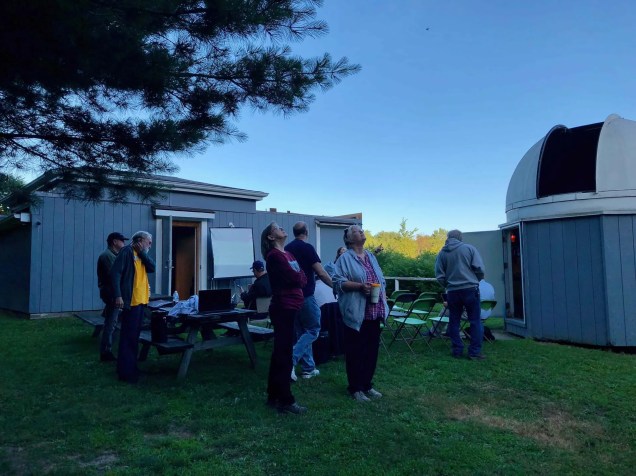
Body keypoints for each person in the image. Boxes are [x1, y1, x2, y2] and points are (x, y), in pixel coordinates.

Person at [333, 225, 388, 402]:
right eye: (356, 231)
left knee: (371, 352)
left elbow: (381, 280)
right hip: (356, 313)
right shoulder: (344, 259)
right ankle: (355, 388)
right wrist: (359, 286)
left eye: (361, 230)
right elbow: (337, 282)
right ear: (349, 239)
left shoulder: (371, 256)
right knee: (356, 351)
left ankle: (367, 385)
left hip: (374, 312)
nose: (361, 232)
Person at [261, 222, 308, 414]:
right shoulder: (274, 256)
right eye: (277, 228)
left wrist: (299, 277)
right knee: (284, 354)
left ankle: (274, 396)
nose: (282, 229)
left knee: (281, 352)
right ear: (271, 237)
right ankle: (285, 400)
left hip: (292, 306)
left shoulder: (289, 254)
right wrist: (299, 277)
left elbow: (302, 277)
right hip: (283, 307)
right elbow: (296, 278)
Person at [285, 222, 333, 381]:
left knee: (302, 332)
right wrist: (335, 286)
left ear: (294, 232)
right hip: (305, 295)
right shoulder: (307, 248)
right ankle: (290, 361)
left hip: (291, 296)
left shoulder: (287, 249)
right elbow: (321, 272)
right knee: (313, 329)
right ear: (306, 232)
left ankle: (308, 368)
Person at [110, 231, 156, 383]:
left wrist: (142, 252)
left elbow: (152, 267)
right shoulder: (127, 252)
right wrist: (118, 295)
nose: (150, 245)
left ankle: (131, 367)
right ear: (140, 240)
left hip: (141, 301)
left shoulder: (141, 254)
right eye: (148, 242)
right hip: (131, 301)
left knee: (134, 337)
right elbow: (115, 273)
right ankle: (126, 373)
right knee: (128, 337)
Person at [434, 229, 486, 361]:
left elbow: (439, 275)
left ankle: (457, 349)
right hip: (470, 289)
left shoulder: (442, 254)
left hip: (452, 291)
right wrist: (475, 280)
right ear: (460, 238)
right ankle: (474, 352)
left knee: (454, 321)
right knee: (475, 321)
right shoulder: (469, 249)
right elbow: (479, 269)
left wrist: (448, 285)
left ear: (448, 238)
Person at [96, 232, 128, 362]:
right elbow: (114, 277)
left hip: (112, 293)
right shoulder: (107, 256)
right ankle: (106, 352)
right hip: (112, 293)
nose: (123, 243)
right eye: (122, 241)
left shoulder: (113, 255)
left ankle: (109, 348)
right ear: (114, 242)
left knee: (113, 320)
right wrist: (118, 295)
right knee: (111, 322)